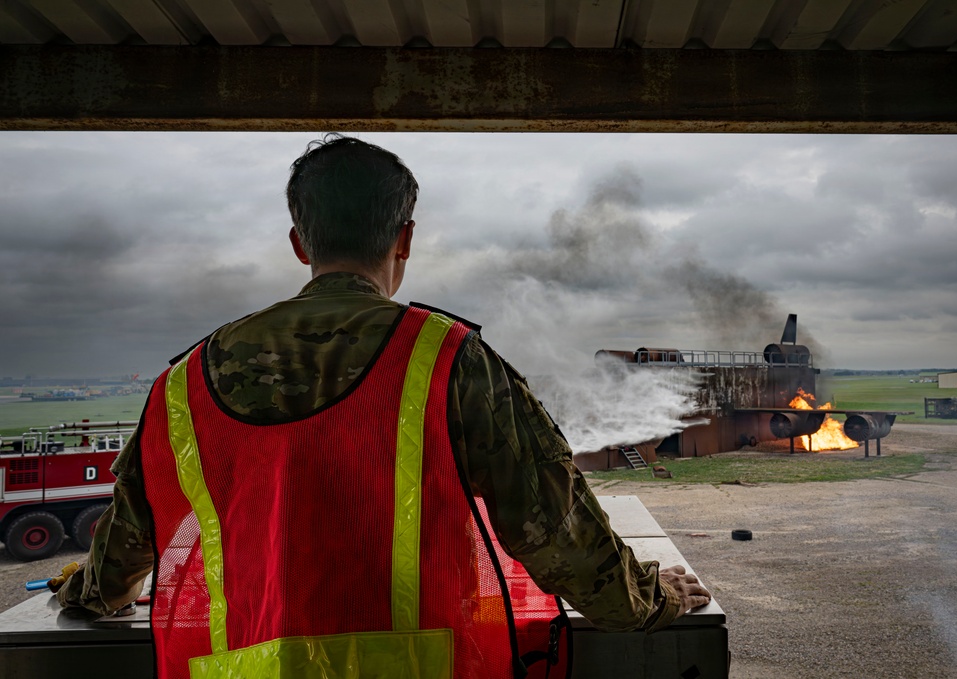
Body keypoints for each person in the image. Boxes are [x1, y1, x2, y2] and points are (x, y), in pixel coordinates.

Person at [58, 134, 711, 677]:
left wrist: (81, 586)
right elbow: (559, 535)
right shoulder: (448, 359)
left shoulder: (183, 382)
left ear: (298, 242)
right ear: (403, 238)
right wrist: (649, 599)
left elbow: (117, 566)